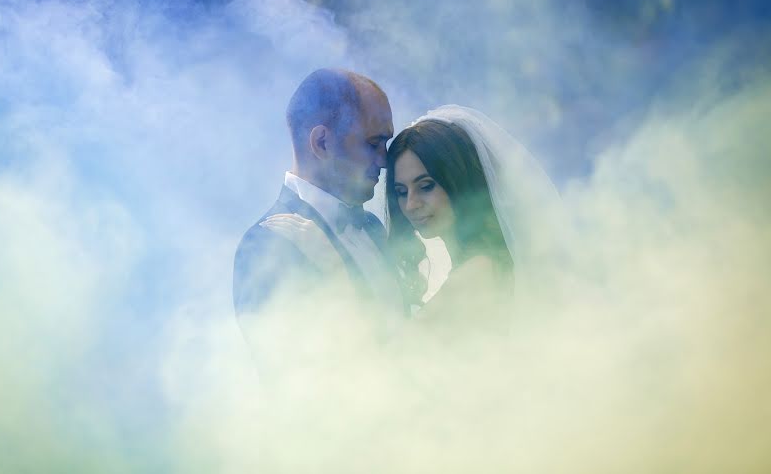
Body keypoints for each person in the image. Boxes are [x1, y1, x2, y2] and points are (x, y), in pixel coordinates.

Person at [264, 105, 563, 331]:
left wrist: (336, 269)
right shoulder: (473, 262)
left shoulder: (475, 274)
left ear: (458, 181)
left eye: (426, 186)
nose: (411, 204)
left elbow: (394, 367)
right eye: (400, 191)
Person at [232, 68, 403, 337]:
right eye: (373, 144)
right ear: (322, 142)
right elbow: (291, 373)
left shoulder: (371, 225)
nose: (384, 161)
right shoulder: (267, 247)